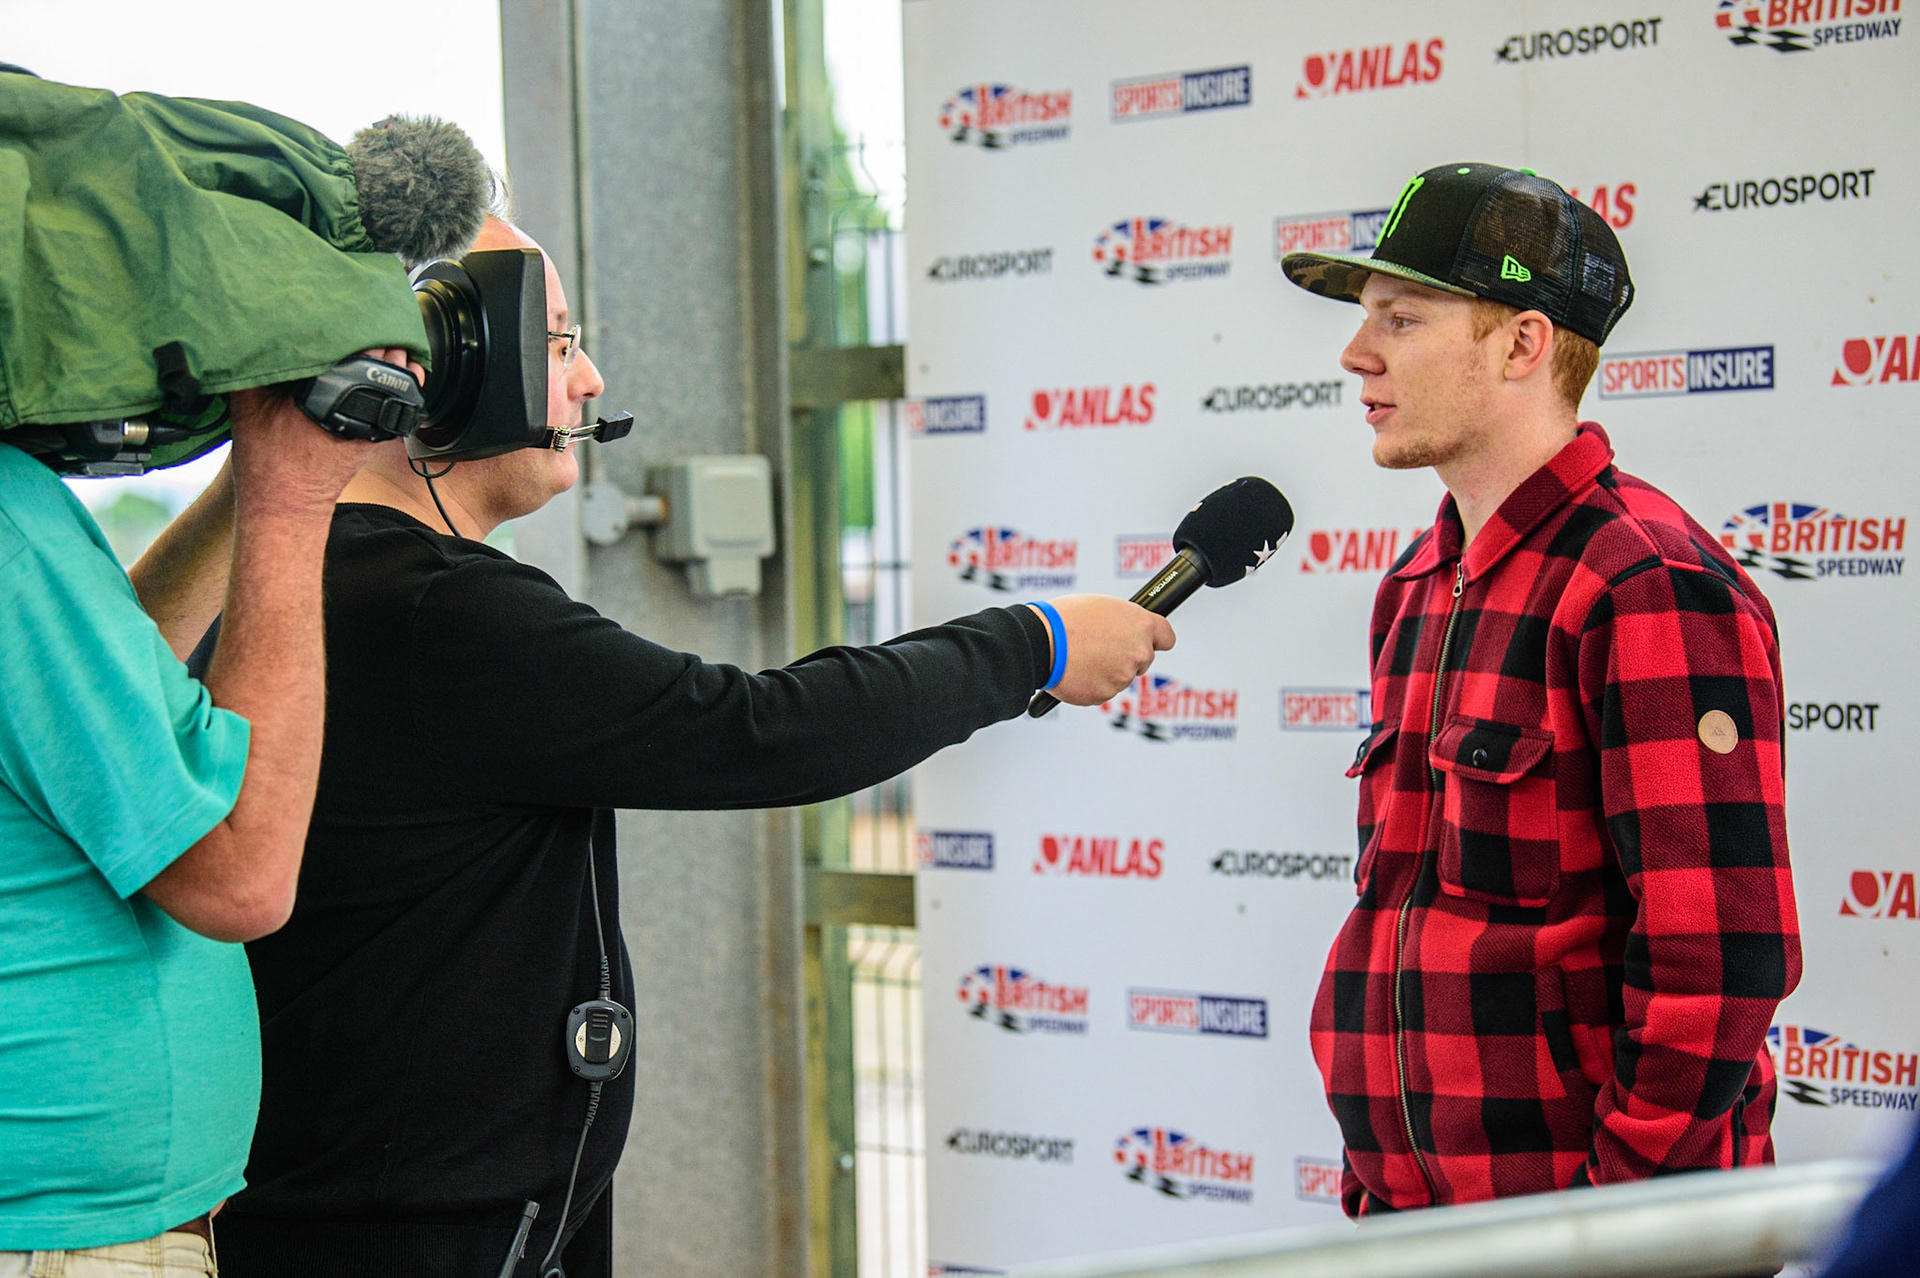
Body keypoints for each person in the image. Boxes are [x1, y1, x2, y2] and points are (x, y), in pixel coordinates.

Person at [143, 214, 1173, 1277]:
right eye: (555, 341)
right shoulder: (437, 613)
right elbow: (764, 732)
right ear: (448, 367)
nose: (588, 378)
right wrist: (1032, 643)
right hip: (418, 1236)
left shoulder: (305, 591)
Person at [1281, 163, 1800, 1216]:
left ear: (1521, 343)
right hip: (1424, 1221)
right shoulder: (1417, 586)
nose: (1356, 353)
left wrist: (1616, 1223)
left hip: (1590, 1234)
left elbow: (1719, 955)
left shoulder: (1646, 580)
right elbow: (1402, 911)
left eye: (1405, 318)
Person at [0, 374, 409, 1274]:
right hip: (54, 1244)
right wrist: (291, 498)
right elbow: (240, 877)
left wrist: (244, 480)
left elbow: (102, 722)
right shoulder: (8, 526)